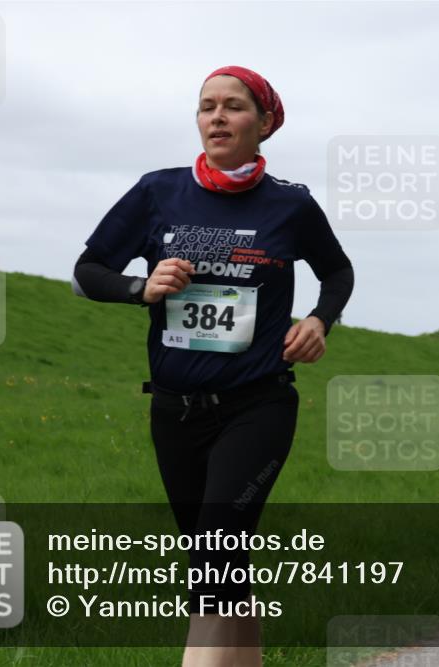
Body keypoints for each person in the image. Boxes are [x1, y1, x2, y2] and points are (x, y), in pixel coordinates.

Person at [72, 65, 354, 667]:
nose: (217, 118)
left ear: (266, 123)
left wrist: (318, 321)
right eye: (206, 107)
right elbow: (88, 271)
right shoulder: (157, 192)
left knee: (215, 554)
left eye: (233, 107)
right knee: (219, 561)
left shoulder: (290, 206)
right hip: (174, 410)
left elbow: (337, 271)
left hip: (258, 404)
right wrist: (140, 288)